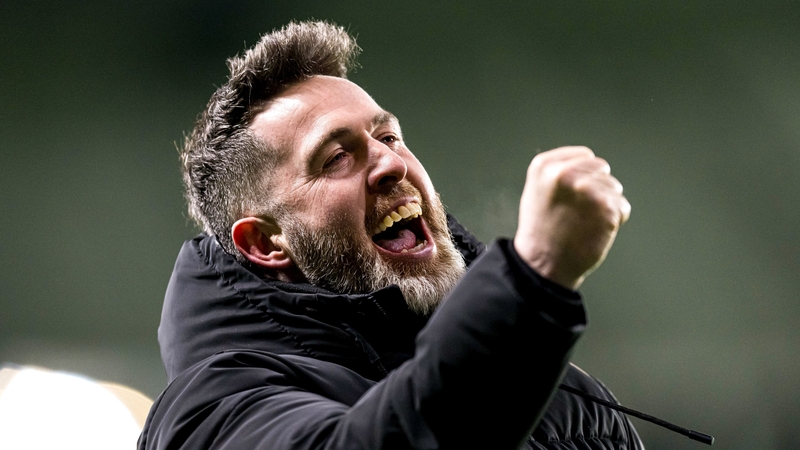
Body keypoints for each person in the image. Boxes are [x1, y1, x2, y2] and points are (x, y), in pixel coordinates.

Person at [138, 21, 642, 450]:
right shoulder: (214, 412)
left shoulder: (568, 399)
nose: (390, 164)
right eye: (335, 158)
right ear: (265, 243)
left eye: (388, 137)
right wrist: (534, 279)